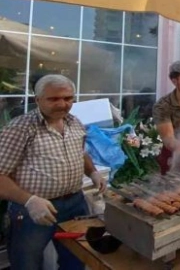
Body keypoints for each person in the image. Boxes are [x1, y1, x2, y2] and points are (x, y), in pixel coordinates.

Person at [0, 75, 107, 269]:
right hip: (32, 210)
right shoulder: (20, 128)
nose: (62, 104)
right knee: (27, 264)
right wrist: (30, 201)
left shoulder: (74, 123)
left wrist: (93, 172)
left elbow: (79, 153)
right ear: (37, 99)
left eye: (68, 98)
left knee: (75, 259)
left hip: (75, 205)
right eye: (53, 99)